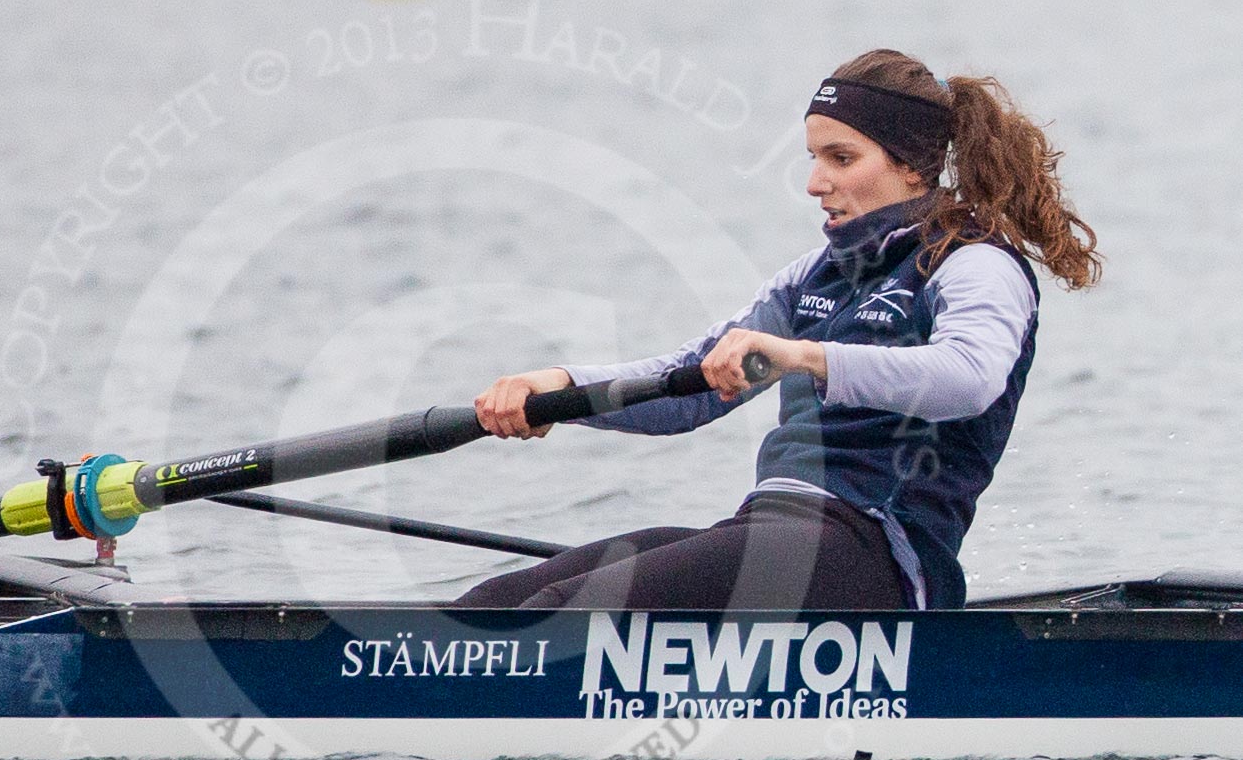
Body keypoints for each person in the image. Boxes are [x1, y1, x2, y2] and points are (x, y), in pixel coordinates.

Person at [456, 48, 1101, 612]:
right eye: (814, 157)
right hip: (775, 530)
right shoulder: (813, 277)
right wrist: (561, 389)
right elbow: (695, 383)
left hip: (875, 552)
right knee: (491, 605)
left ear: (913, 165)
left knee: (563, 612)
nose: (816, 182)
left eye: (841, 158)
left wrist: (806, 357)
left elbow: (969, 379)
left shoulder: (977, 264)